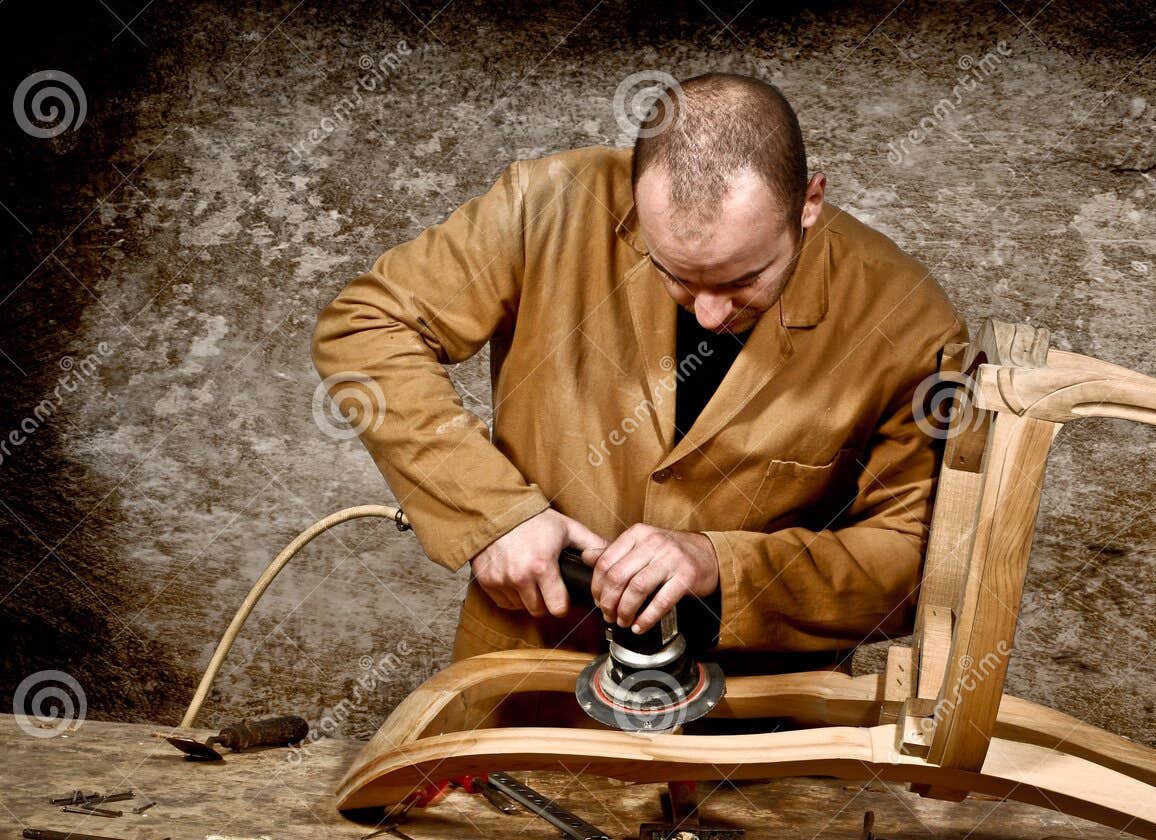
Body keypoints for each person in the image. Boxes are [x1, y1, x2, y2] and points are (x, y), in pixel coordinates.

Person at [312, 73, 964, 674]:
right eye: (674, 274)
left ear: (809, 202)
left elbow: (916, 559)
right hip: (527, 682)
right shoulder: (548, 204)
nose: (709, 314)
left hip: (761, 720)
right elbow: (365, 328)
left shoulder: (909, 320)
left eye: (742, 279)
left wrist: (723, 564)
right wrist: (493, 512)